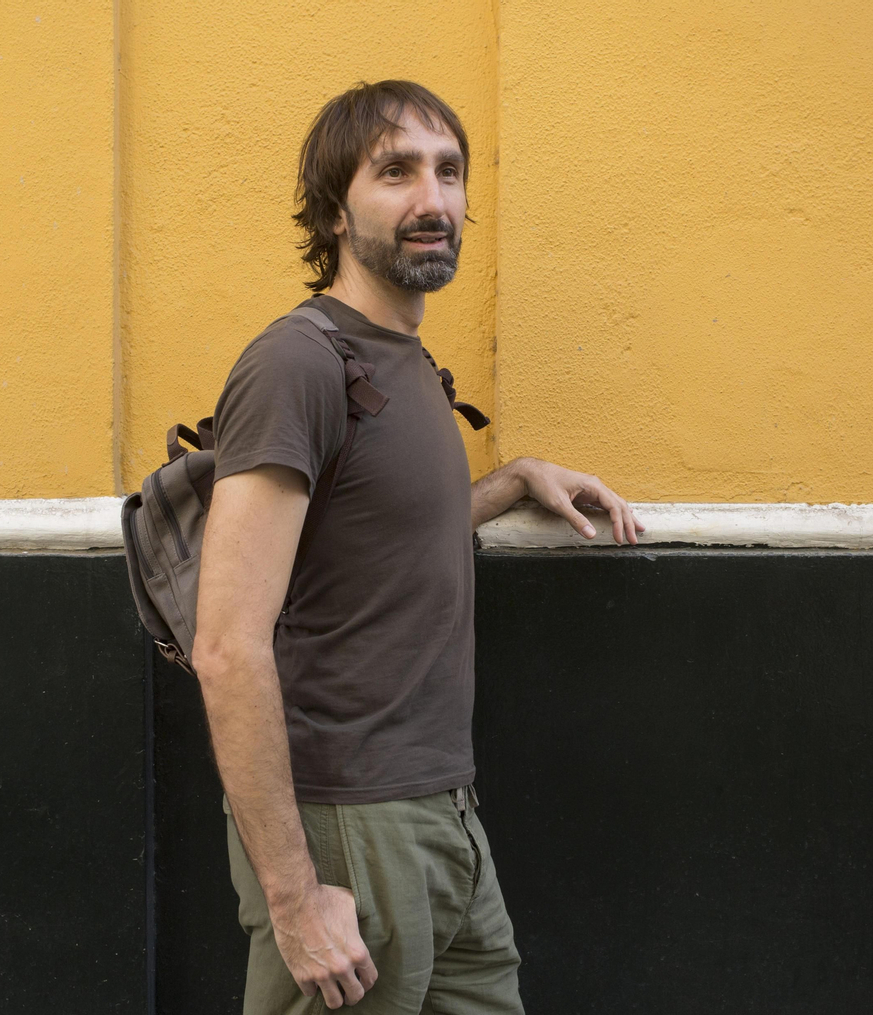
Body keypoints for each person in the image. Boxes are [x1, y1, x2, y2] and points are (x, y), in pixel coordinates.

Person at [190, 80, 644, 1014]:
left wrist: (514, 479)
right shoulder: (299, 364)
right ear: (333, 206)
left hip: (444, 811)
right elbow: (227, 644)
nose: (432, 200)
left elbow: (377, 535)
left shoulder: (403, 365)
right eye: (395, 172)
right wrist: (294, 894)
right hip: (348, 826)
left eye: (448, 171)